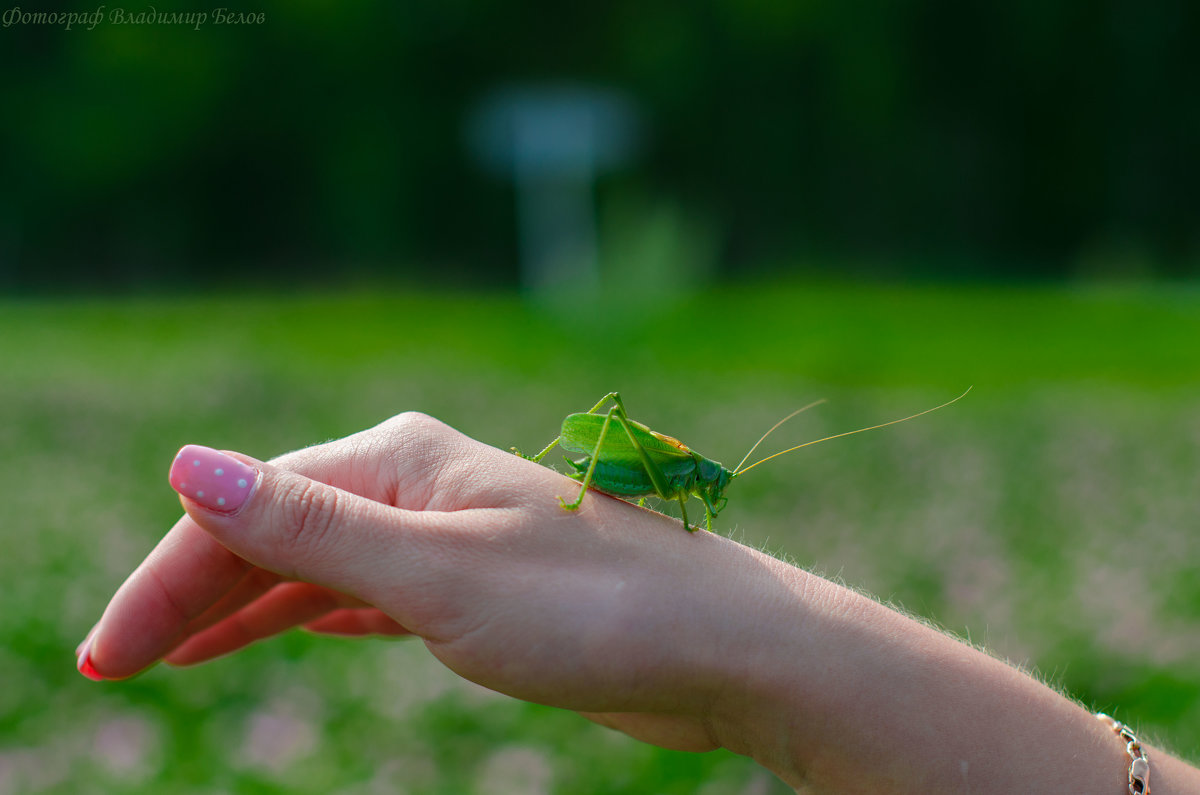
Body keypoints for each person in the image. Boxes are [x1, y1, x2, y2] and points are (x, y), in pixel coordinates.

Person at [78, 412, 1197, 793]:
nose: (714, 496)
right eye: (714, 492)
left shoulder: (697, 495)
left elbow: (689, 522)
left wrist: (753, 654)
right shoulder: (674, 482)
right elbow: (669, 503)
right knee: (638, 451)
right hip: (602, 468)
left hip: (607, 486)